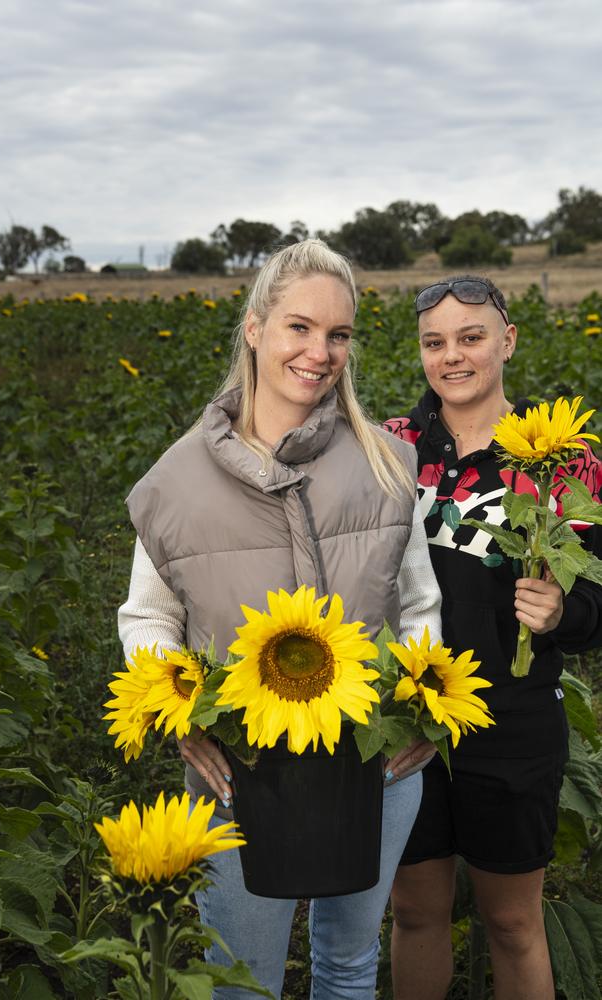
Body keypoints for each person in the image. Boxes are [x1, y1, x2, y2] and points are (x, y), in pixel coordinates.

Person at [118, 239, 443, 999]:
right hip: (238, 774)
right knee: (242, 980)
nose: (320, 351)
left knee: (349, 962)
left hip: (376, 770)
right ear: (256, 328)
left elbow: (418, 603)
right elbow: (147, 619)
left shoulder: (388, 463)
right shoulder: (177, 480)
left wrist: (426, 708)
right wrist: (178, 716)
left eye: (338, 335)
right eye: (300, 327)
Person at [384, 275, 602, 1000]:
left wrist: (564, 614)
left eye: (471, 337)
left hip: (510, 719)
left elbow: (598, 599)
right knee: (416, 911)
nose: (453, 356)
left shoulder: (561, 457)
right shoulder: (389, 448)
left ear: (507, 340)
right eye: (435, 342)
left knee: (513, 924)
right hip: (406, 717)